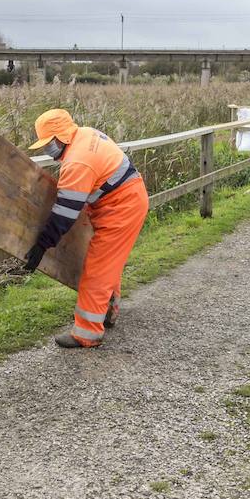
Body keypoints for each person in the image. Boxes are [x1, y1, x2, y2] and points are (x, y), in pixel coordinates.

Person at [24, 109, 149, 348]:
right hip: (124, 200)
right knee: (108, 262)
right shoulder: (85, 134)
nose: (45, 150)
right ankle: (107, 311)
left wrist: (42, 245)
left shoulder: (77, 161)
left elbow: (64, 213)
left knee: (97, 268)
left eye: (47, 143)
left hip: (122, 207)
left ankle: (87, 333)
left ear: (60, 137)